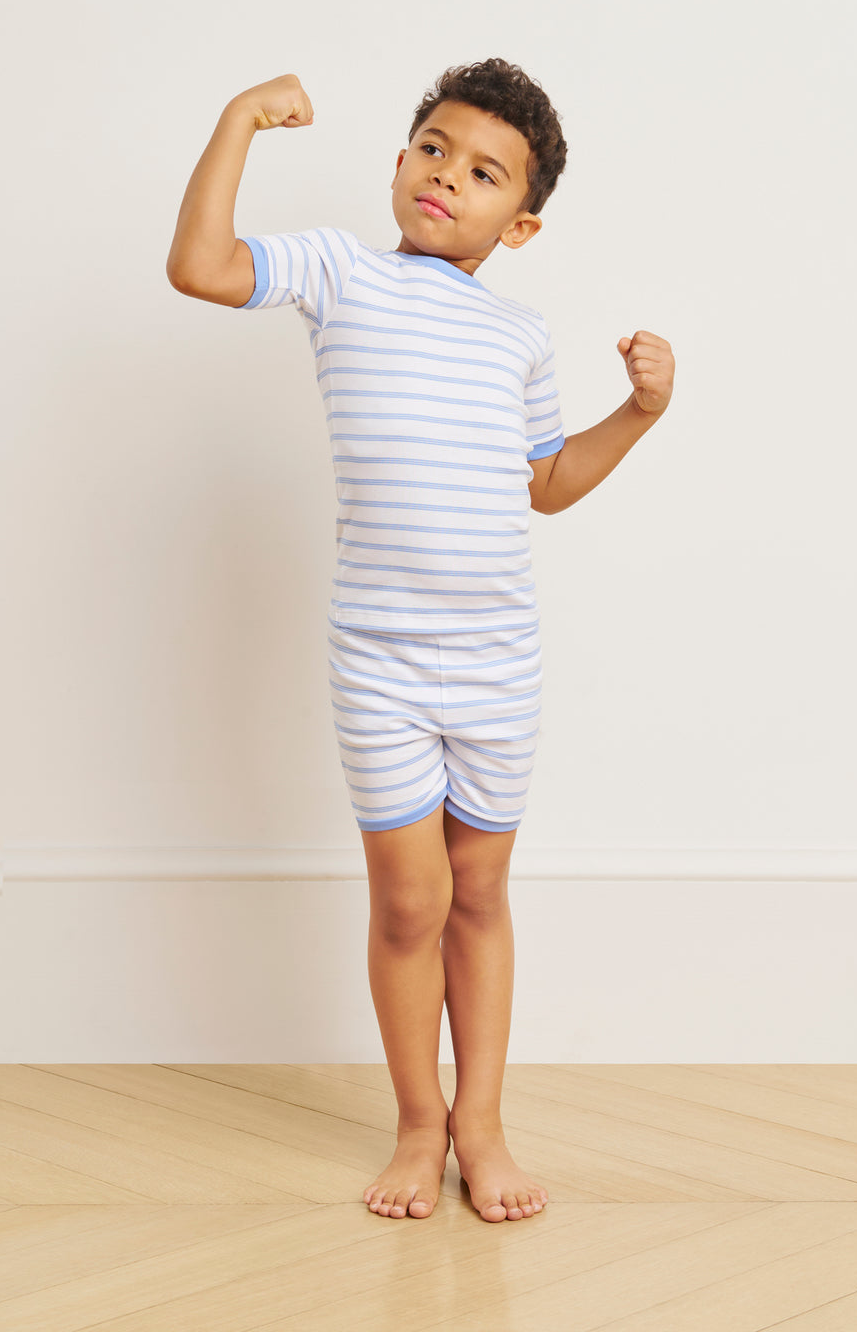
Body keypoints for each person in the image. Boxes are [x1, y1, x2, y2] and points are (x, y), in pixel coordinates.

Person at [166, 59, 675, 1223]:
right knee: (408, 903)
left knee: (479, 894)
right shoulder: (341, 273)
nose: (450, 176)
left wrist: (638, 414)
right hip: (379, 658)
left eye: (485, 171)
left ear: (523, 219)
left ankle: (483, 1127)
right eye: (434, 149)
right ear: (400, 162)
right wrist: (240, 118)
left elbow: (544, 485)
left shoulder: (518, 335)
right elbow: (199, 266)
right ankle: (417, 1124)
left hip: (496, 660)